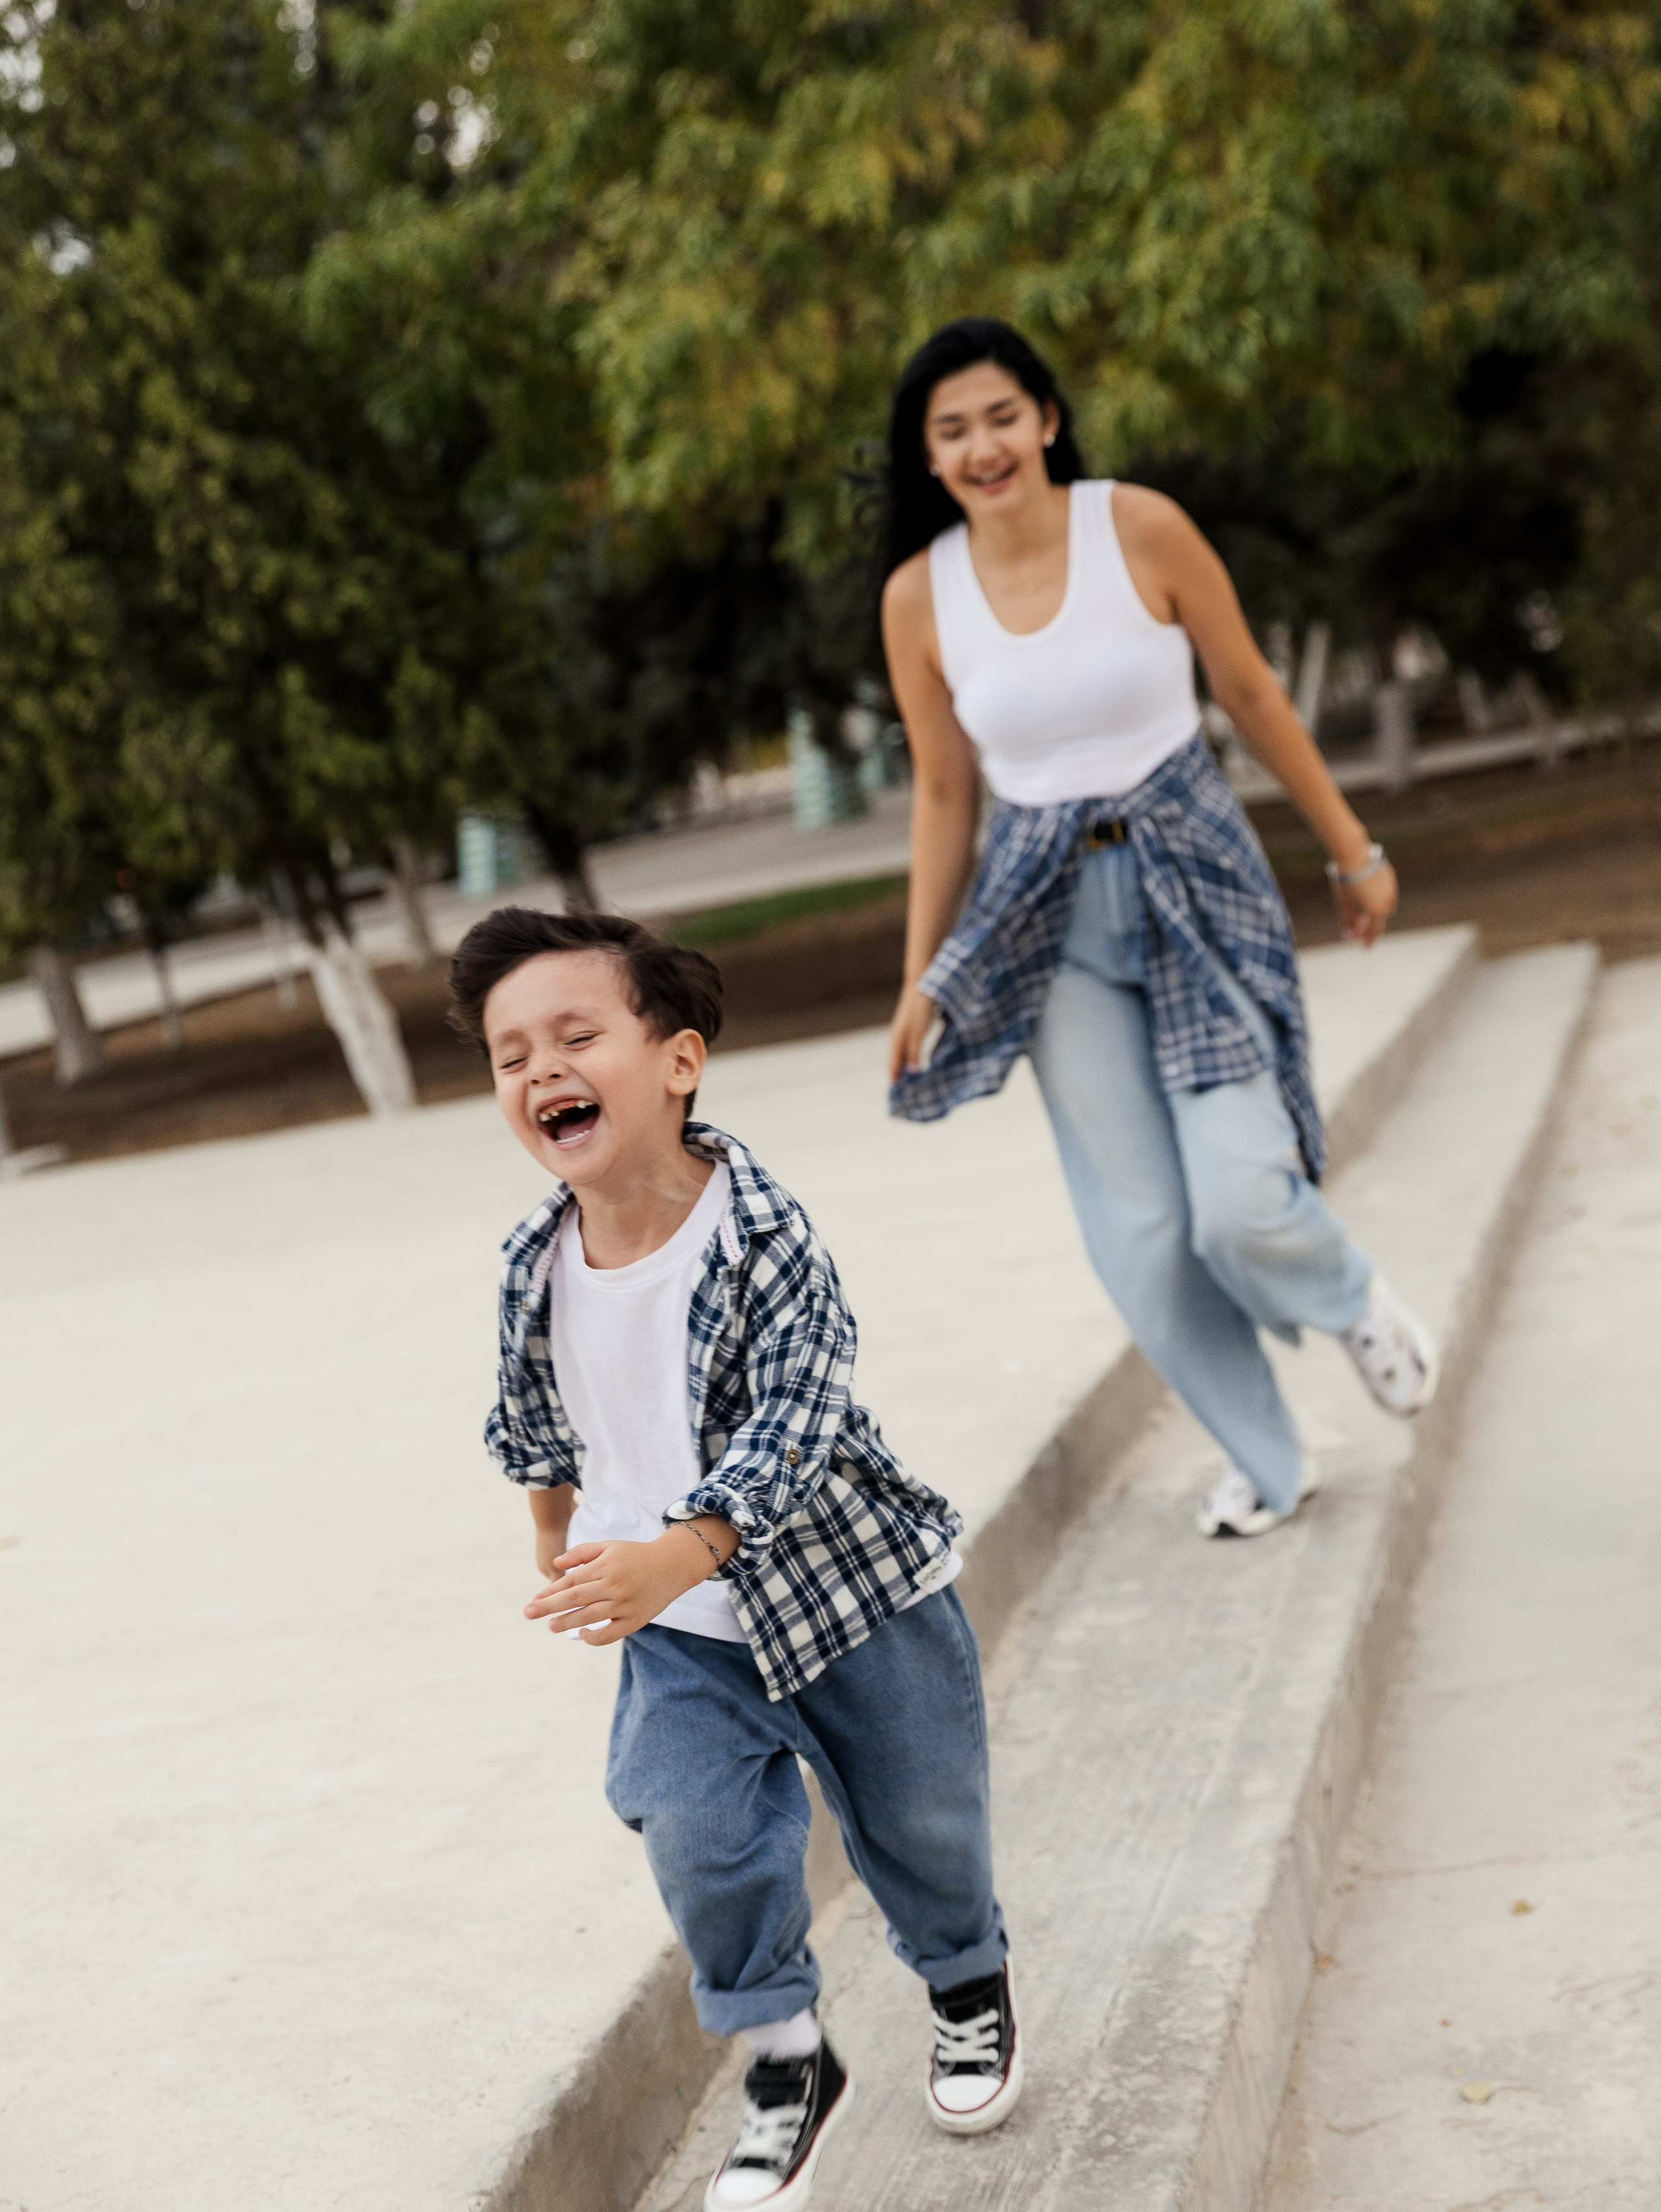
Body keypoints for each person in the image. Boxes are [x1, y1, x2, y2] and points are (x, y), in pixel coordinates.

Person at [450, 906, 1021, 2212]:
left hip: (850, 1592)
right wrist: (553, 1528)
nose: (542, 1070)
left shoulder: (761, 1232)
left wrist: (683, 1548)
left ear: (678, 1060)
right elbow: (532, 1413)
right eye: (509, 1055)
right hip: (682, 1631)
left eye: (575, 1036)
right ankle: (785, 2057)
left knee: (921, 1822)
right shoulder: (533, 1263)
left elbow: (796, 1422)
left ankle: (965, 1980)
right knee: (696, 1832)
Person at [881, 317, 1438, 1540]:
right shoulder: (920, 596)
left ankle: (1350, 1297)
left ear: (1048, 420)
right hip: (1046, 923)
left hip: (1194, 884)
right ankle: (1269, 1460)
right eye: (953, 430)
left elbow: (1250, 691)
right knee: (1140, 1232)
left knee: (1237, 1198)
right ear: (929, 456)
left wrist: (1354, 851)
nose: (983, 446)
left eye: (1002, 417)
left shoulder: (1138, 526)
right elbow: (944, 793)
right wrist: (922, 975)